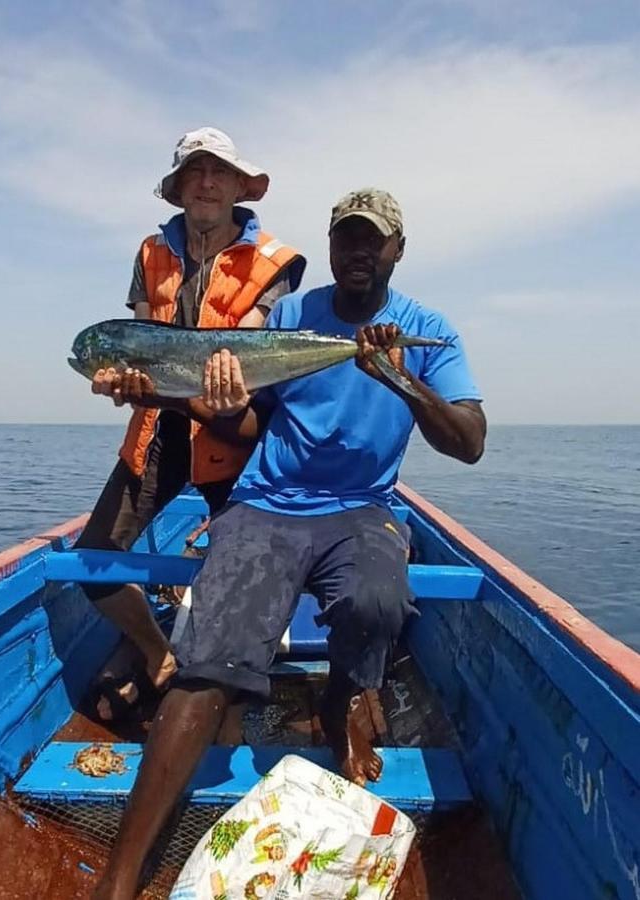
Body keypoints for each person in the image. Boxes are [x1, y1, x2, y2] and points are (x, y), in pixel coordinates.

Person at [93, 187, 487, 899]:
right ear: (331, 248)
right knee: (206, 656)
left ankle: (339, 704)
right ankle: (119, 879)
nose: (358, 251)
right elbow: (246, 427)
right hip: (266, 503)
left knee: (375, 601)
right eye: (346, 239)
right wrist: (213, 409)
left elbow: (468, 443)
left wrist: (401, 381)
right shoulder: (290, 318)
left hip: (361, 508)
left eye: (373, 240)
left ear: (397, 250)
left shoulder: (430, 329)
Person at [76, 127, 305, 716]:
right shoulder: (150, 255)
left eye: (218, 173)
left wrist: (209, 388)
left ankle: (223, 683)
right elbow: (140, 337)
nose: (206, 184)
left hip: (235, 435)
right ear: (179, 191)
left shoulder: (272, 261)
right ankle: (157, 653)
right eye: (194, 175)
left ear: (237, 186)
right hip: (155, 434)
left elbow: (247, 356)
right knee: (94, 560)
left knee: (245, 574)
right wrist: (125, 383)